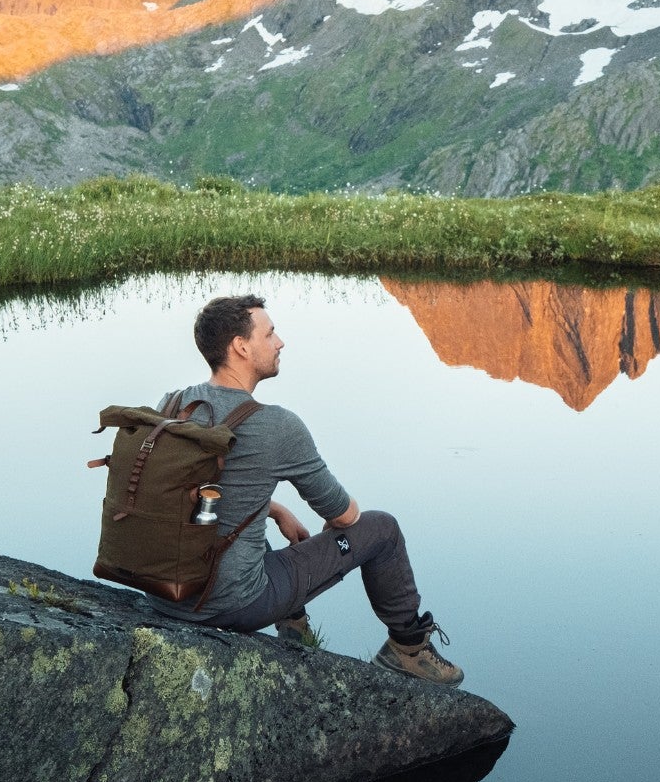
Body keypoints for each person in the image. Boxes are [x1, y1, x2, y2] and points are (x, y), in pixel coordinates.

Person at [154, 293, 463, 686]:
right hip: (231, 605)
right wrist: (333, 531)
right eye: (270, 333)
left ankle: (294, 626)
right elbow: (343, 516)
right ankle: (408, 649)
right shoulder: (277, 426)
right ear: (241, 347)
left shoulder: (174, 403)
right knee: (382, 529)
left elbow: (191, 489)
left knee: (241, 525)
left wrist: (276, 509)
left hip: (165, 593)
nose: (280, 342)